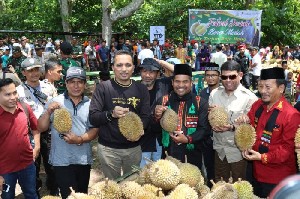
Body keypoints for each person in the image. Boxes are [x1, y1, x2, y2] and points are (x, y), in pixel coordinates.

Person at [235, 67, 300, 198]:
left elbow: (288, 150)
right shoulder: (257, 105)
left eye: (268, 87)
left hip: (278, 178)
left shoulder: (291, 115)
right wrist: (242, 122)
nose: (263, 91)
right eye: (260, 86)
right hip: (255, 172)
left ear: (281, 88)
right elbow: (248, 127)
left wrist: (262, 157)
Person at [89, 50, 151, 180]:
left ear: (133, 67)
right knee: (113, 187)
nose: (124, 69)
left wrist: (138, 130)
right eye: (119, 65)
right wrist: (111, 114)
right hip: (108, 149)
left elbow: (146, 117)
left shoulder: (141, 89)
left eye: (128, 65)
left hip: (133, 148)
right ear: (113, 67)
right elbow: (93, 117)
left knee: (131, 185)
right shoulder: (103, 88)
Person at [38, 67, 98, 199]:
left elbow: (95, 130)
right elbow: (41, 128)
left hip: (83, 159)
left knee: (82, 195)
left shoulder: (91, 104)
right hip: (61, 161)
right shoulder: (56, 102)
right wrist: (48, 112)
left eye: (80, 82)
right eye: (72, 82)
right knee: (68, 196)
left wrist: (79, 139)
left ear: (84, 84)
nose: (76, 86)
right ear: (66, 83)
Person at [209, 60, 258, 182]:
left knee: (239, 184)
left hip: (239, 152)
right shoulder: (214, 94)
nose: (228, 80)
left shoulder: (250, 98)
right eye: (224, 77)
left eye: (232, 76)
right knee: (220, 184)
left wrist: (231, 127)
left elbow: (253, 126)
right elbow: (211, 118)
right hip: (219, 149)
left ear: (240, 75)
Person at [154, 64, 210, 170]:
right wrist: (157, 117)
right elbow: (154, 129)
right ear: (172, 82)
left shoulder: (200, 102)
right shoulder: (162, 101)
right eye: (177, 81)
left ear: (191, 83)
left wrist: (188, 139)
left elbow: (204, 130)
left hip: (193, 155)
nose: (181, 85)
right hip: (168, 154)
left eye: (185, 82)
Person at [17, 57, 58, 196]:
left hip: (49, 132)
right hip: (29, 135)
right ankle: (34, 190)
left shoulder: (49, 87)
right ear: (23, 73)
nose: (34, 73)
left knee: (51, 164)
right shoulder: (18, 92)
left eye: (36, 70)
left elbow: (57, 108)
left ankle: (53, 190)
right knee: (32, 165)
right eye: (30, 71)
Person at [0, 78, 39, 199]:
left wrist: (37, 146)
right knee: (8, 197)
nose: (13, 97)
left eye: (14, 92)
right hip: (5, 169)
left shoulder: (25, 108)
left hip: (28, 165)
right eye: (7, 94)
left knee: (32, 194)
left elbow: (35, 128)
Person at [138, 58, 172, 168]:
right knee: (143, 172)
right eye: (144, 71)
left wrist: (161, 62)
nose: (147, 75)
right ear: (140, 72)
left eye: (152, 71)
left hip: (161, 137)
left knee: (159, 171)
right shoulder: (134, 89)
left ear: (158, 74)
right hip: (142, 139)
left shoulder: (164, 84)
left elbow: (183, 72)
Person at [199, 62, 220, 186]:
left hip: (219, 135)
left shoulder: (223, 92)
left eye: (213, 75)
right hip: (205, 136)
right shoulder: (202, 93)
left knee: (219, 166)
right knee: (208, 165)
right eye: (208, 75)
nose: (210, 78)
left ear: (219, 76)